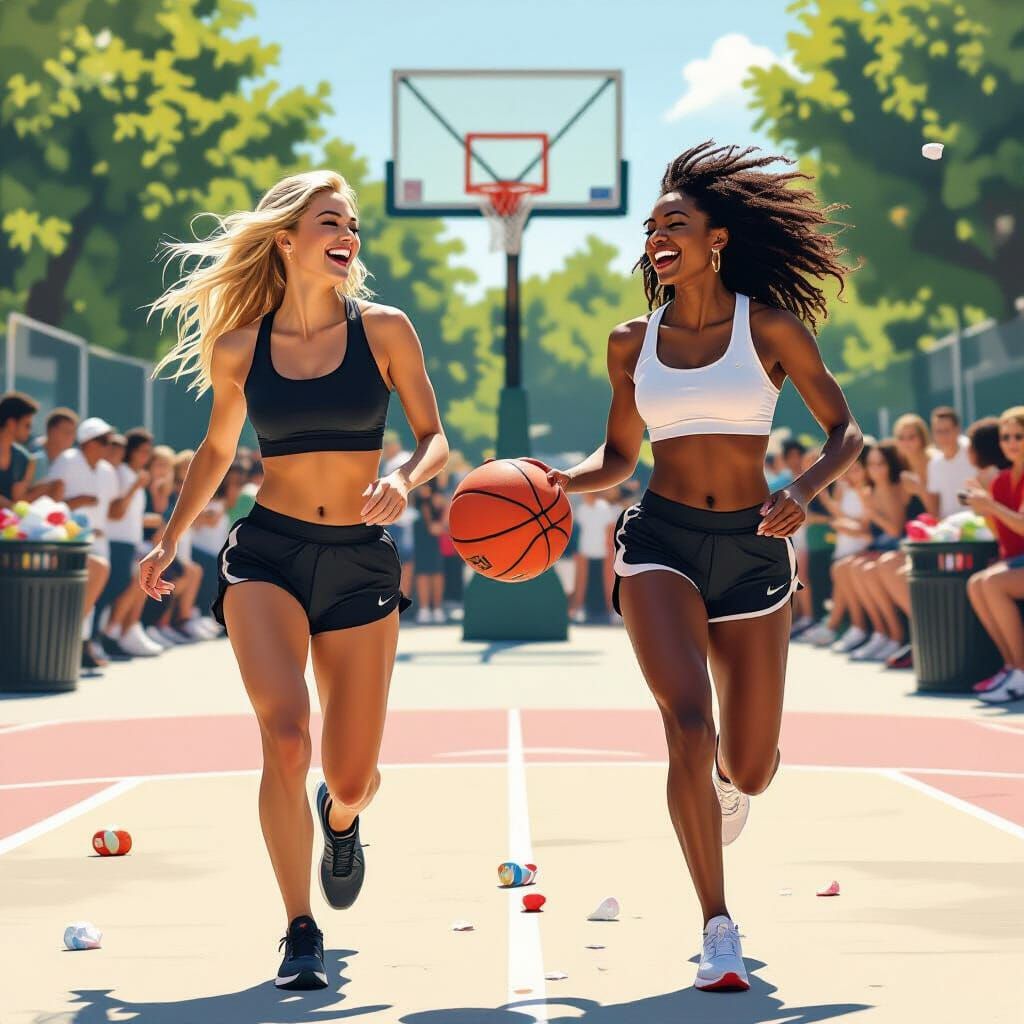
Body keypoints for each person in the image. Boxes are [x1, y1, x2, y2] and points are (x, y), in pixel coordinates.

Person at [542, 142, 861, 992]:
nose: (657, 236)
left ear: (717, 237)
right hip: (661, 542)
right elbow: (618, 458)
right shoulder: (629, 342)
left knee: (749, 765)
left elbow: (845, 432)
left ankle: (729, 783)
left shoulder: (769, 327)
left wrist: (808, 487)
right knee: (687, 722)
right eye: (650, 227)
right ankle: (717, 924)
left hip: (755, 548)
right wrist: (554, 484)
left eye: (674, 222)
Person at [139, 170, 447, 989]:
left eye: (351, 223)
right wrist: (169, 540)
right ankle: (298, 928)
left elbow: (433, 438)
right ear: (287, 240)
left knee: (350, 776)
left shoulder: (384, 331)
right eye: (328, 220)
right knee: (284, 736)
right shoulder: (239, 344)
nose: (347, 233)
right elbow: (214, 452)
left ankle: (340, 821)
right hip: (267, 554)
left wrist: (406, 481)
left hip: (359, 560)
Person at [873, 407, 975, 668]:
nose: (906, 442)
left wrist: (917, 489)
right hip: (926, 535)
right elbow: (898, 519)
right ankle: (921, 633)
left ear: (922, 437)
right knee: (881, 567)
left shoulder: (934, 461)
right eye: (901, 437)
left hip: (943, 534)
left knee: (887, 567)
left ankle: (926, 634)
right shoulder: (906, 467)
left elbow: (934, 510)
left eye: (912, 436)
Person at [49, 416, 121, 670]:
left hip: (100, 539)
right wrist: (76, 501)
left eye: (109, 441)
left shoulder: (107, 471)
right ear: (87, 442)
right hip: (69, 540)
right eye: (103, 440)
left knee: (92, 598)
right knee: (75, 594)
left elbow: (112, 510)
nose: (107, 446)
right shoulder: (68, 460)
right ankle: (71, 644)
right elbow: (52, 502)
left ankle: (80, 644)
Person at [964, 407, 1024, 703]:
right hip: (1017, 561)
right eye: (1005, 437)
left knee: (992, 583)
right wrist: (985, 511)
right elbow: (1005, 536)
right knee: (977, 583)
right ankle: (1011, 666)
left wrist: (990, 506)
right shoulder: (1000, 480)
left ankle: (1021, 671)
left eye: (1018, 436)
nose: (1011, 442)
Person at [831, 440, 911, 661]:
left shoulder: (894, 488)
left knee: (862, 569)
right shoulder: (869, 490)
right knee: (848, 566)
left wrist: (870, 511)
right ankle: (880, 632)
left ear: (890, 465)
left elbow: (895, 530)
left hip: (897, 548)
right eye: (872, 464)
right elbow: (867, 528)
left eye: (881, 464)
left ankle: (894, 634)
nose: (875, 469)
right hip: (880, 548)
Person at [95, 428, 163, 659]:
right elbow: (115, 511)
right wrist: (135, 487)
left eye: (148, 452)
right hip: (116, 541)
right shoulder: (122, 473)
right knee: (117, 588)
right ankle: (105, 636)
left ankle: (116, 633)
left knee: (135, 583)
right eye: (142, 451)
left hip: (129, 542)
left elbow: (129, 514)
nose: (146, 456)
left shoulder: (136, 476)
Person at [801, 445, 872, 647]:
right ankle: (845, 627)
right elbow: (838, 516)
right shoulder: (844, 488)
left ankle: (837, 626)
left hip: (857, 548)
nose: (851, 473)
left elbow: (863, 527)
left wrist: (843, 525)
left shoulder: (866, 492)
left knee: (842, 584)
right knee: (842, 589)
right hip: (843, 548)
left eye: (856, 469)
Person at [569, 489, 617, 623]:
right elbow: (578, 531)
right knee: (580, 583)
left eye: (587, 493)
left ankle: (613, 612)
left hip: (604, 552)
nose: (585, 495)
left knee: (609, 583)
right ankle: (578, 610)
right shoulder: (582, 509)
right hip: (584, 551)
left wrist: (610, 550)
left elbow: (610, 529)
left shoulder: (604, 507)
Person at [29, 406, 78, 486]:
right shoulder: (35, 460)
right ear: (51, 431)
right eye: (67, 432)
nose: (71, 437)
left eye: (73, 432)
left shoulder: (71, 462)